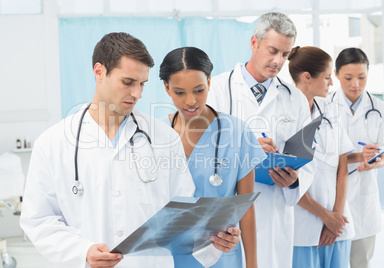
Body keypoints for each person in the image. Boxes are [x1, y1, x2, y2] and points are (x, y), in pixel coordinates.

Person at [19, 32, 240, 268]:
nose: (138, 94)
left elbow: (183, 215)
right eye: (128, 82)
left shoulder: (164, 138)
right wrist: (82, 251)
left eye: (142, 84)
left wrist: (213, 239)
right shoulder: (54, 143)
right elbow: (39, 219)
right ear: (99, 72)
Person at [207, 12, 315, 268]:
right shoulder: (218, 89)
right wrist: (247, 148)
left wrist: (294, 182)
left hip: (276, 212)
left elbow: (309, 158)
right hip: (230, 215)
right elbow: (201, 150)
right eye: (273, 50)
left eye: (285, 55)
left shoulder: (295, 98)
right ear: (254, 43)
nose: (278, 61)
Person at [159, 46, 266, 268]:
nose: (191, 101)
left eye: (199, 90)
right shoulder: (156, 133)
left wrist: (253, 265)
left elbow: (245, 207)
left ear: (209, 82)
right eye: (180, 92)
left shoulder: (237, 133)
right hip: (168, 256)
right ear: (166, 88)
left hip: (220, 255)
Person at [288, 46, 355, 267]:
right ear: (307, 77)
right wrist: (324, 216)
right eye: (327, 77)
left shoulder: (331, 109)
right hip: (304, 228)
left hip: (338, 226)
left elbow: (342, 167)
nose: (331, 83)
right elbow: (286, 179)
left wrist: (335, 217)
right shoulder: (284, 116)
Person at [332, 47, 384, 268]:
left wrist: (377, 161)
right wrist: (358, 156)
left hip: (364, 199)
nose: (356, 85)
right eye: (348, 78)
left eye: (362, 77)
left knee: (361, 262)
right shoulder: (325, 107)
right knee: (334, 261)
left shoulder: (381, 109)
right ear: (336, 74)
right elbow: (325, 155)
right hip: (332, 197)